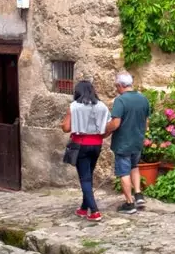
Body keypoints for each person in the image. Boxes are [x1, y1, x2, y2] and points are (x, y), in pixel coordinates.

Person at [60, 80, 109, 221]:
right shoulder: (102, 106)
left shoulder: (74, 106)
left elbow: (66, 128)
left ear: (78, 92)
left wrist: (65, 121)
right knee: (88, 176)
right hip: (97, 145)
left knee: (85, 178)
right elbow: (107, 125)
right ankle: (83, 208)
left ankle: (94, 211)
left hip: (80, 144)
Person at [106, 72, 150, 214]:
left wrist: (105, 131)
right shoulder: (143, 99)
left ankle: (129, 204)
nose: (116, 88)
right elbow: (146, 122)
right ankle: (138, 195)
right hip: (137, 140)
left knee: (123, 172)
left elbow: (116, 123)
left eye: (116, 86)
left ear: (120, 85)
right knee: (134, 166)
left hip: (123, 142)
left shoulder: (121, 100)